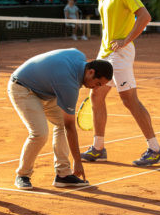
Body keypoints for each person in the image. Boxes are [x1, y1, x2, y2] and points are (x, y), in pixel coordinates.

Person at [80, 0, 160, 166]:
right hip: (106, 52)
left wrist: (126, 40)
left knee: (129, 100)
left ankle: (155, 149)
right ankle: (98, 147)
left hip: (121, 53)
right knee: (96, 95)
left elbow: (145, 17)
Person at [8, 48, 113, 190]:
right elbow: (70, 126)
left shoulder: (80, 55)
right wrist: (77, 161)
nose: (96, 88)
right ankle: (22, 175)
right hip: (22, 88)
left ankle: (63, 174)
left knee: (61, 125)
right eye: (98, 84)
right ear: (90, 72)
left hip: (46, 91)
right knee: (40, 133)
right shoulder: (68, 84)